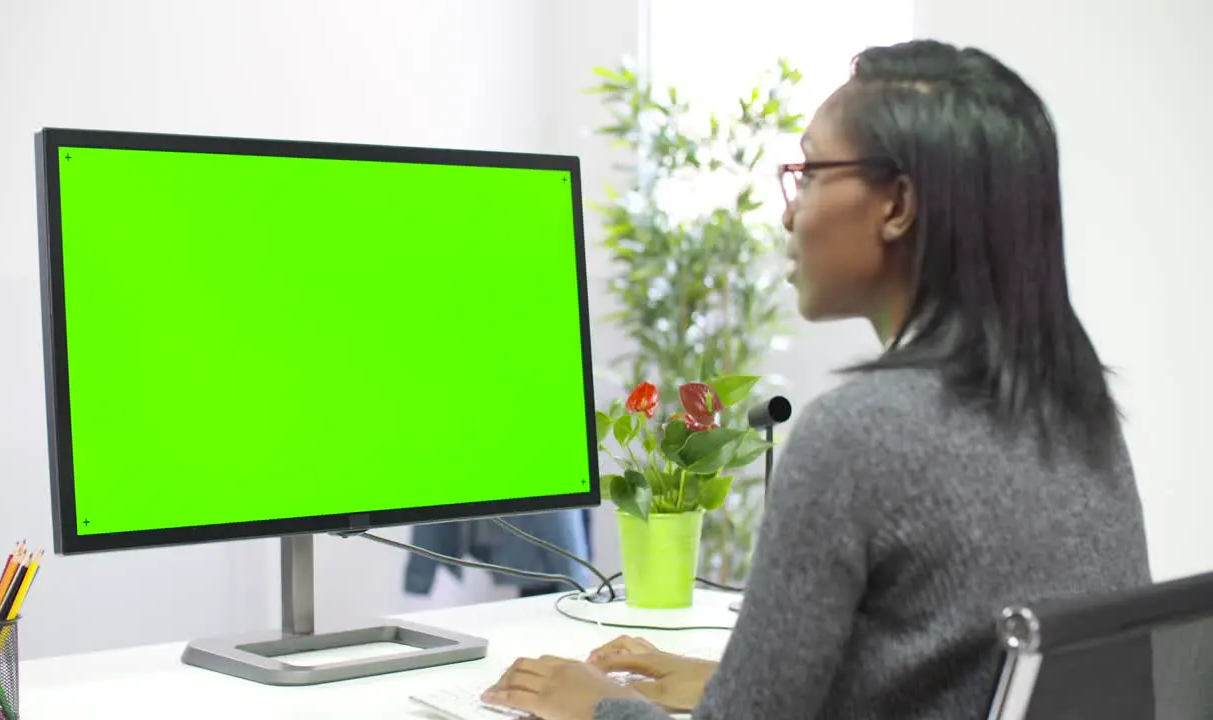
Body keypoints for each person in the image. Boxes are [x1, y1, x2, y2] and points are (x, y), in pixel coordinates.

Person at [478, 38, 1153, 719]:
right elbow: (946, 676)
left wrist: (596, 704)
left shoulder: (862, 433)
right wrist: (731, 683)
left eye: (809, 173)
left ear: (897, 205)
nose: (789, 212)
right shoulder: (1074, 407)